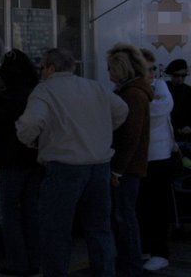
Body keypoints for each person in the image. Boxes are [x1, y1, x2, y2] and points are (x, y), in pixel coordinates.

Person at [16, 48, 129, 277]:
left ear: (49, 68)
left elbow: (29, 125)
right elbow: (122, 110)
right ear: (72, 66)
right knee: (100, 230)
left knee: (56, 232)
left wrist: (31, 142)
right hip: (99, 168)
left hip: (64, 169)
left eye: (42, 68)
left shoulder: (44, 91)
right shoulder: (94, 86)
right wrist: (103, 132)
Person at [0, 49, 42, 276]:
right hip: (35, 159)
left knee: (10, 213)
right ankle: (35, 260)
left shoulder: (10, 96)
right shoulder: (36, 92)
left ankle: (18, 263)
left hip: (12, 160)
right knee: (31, 211)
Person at [107, 43, 152, 277]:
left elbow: (129, 137)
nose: (108, 74)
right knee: (125, 217)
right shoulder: (136, 92)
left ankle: (130, 267)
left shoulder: (132, 95)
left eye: (111, 69)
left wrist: (117, 171)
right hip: (131, 167)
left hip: (127, 169)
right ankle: (129, 264)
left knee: (124, 218)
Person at [137, 49, 175, 272]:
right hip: (141, 157)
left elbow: (159, 110)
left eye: (153, 69)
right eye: (147, 69)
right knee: (141, 205)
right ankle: (146, 246)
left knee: (157, 207)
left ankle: (160, 252)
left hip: (159, 156)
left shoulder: (160, 87)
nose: (152, 74)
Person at [164, 59, 191, 142]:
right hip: (167, 135)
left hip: (185, 136)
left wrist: (189, 126)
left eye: (183, 76)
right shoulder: (164, 89)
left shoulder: (188, 91)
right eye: (176, 75)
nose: (180, 78)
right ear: (171, 75)